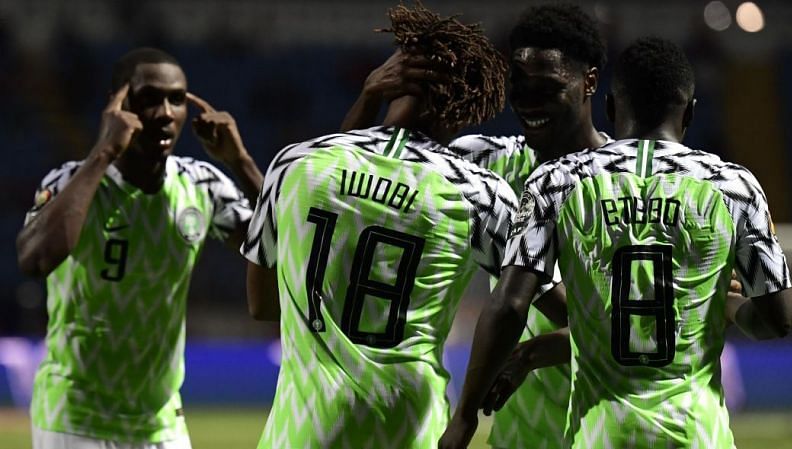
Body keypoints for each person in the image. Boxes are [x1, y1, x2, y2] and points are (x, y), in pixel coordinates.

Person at [440, 37, 792, 449]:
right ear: (690, 114)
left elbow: (511, 302)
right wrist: (728, 306)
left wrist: (465, 416)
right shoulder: (734, 187)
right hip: (697, 434)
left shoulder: (557, 181)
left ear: (610, 106)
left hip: (601, 433)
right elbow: (778, 320)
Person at [241, 3, 513, 448]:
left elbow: (263, 304)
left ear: (391, 74)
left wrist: (366, 97)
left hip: (304, 429)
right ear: (467, 109)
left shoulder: (296, 162)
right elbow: (531, 301)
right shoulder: (480, 192)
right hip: (408, 427)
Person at [342, 4, 609, 448]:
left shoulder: (633, 186)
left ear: (590, 83)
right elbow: (347, 181)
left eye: (548, 87)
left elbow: (629, 327)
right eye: (520, 87)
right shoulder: (484, 163)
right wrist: (371, 95)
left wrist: (531, 353)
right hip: (518, 434)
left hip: (602, 424)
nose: (530, 103)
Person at [16, 47, 263, 449]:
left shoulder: (200, 185)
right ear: (117, 105)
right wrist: (104, 152)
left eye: (177, 99)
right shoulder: (74, 184)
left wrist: (242, 161)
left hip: (161, 424)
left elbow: (283, 247)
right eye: (148, 98)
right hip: (76, 418)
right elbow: (35, 258)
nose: (165, 112)